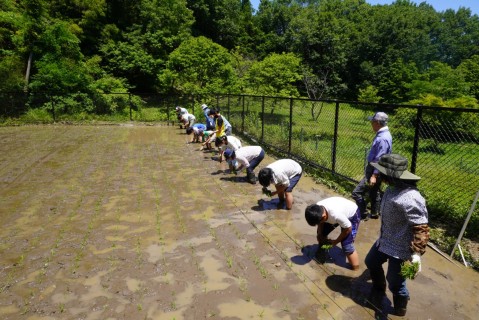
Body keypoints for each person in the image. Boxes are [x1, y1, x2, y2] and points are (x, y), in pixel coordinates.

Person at [364, 153, 429, 317]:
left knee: (395, 282)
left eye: (381, 173)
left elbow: (421, 227)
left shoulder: (411, 197)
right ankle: (379, 288)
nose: (379, 176)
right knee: (371, 261)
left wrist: (416, 253)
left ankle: (400, 308)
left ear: (390, 176)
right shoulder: (393, 188)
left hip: (400, 247)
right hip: (385, 239)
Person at [352, 111, 392, 220]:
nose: (371, 124)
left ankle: (363, 213)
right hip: (377, 169)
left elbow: (380, 158)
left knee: (356, 193)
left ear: (377, 122)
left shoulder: (382, 138)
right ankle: (375, 213)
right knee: (374, 192)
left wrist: (374, 175)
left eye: (372, 122)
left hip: (375, 170)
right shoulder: (383, 134)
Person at [305, 197, 361, 270]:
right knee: (321, 234)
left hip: (352, 215)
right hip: (337, 213)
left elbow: (348, 228)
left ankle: (355, 268)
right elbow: (320, 223)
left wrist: (336, 241)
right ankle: (322, 253)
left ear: (324, 217)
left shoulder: (336, 214)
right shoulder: (317, 209)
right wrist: (319, 233)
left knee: (346, 244)